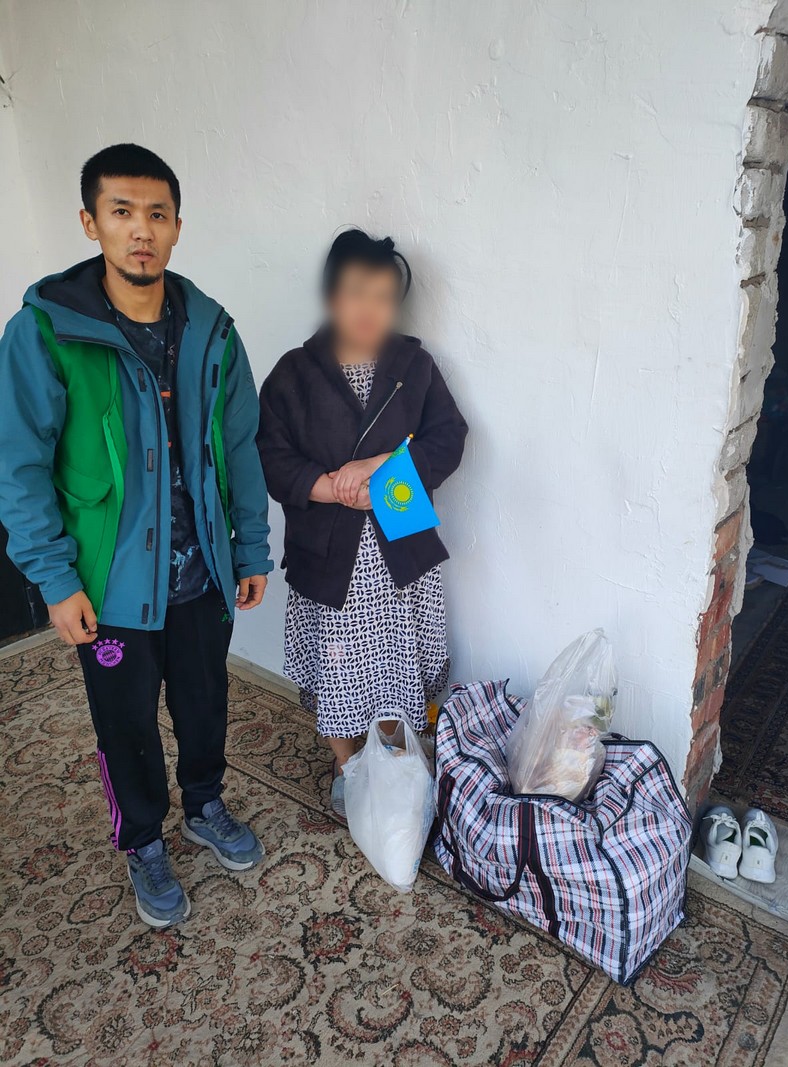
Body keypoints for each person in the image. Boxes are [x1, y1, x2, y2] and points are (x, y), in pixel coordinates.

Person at [0, 144, 273, 927]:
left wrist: (249, 546)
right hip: (111, 580)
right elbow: (19, 465)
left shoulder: (212, 330)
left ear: (178, 226)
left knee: (205, 700)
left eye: (157, 214)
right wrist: (56, 580)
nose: (141, 230)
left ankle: (205, 802)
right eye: (121, 211)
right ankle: (145, 840)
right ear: (91, 223)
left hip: (203, 571)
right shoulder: (46, 332)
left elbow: (241, 446)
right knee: (124, 722)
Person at [257, 229, 467, 817]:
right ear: (331, 296)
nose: (370, 308)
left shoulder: (413, 366)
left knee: (398, 660)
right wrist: (332, 486)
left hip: (400, 539)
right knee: (340, 665)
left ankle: (396, 758)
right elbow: (271, 456)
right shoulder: (295, 372)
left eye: (383, 296)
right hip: (330, 549)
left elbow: (448, 438)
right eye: (356, 292)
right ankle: (347, 764)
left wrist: (378, 468)